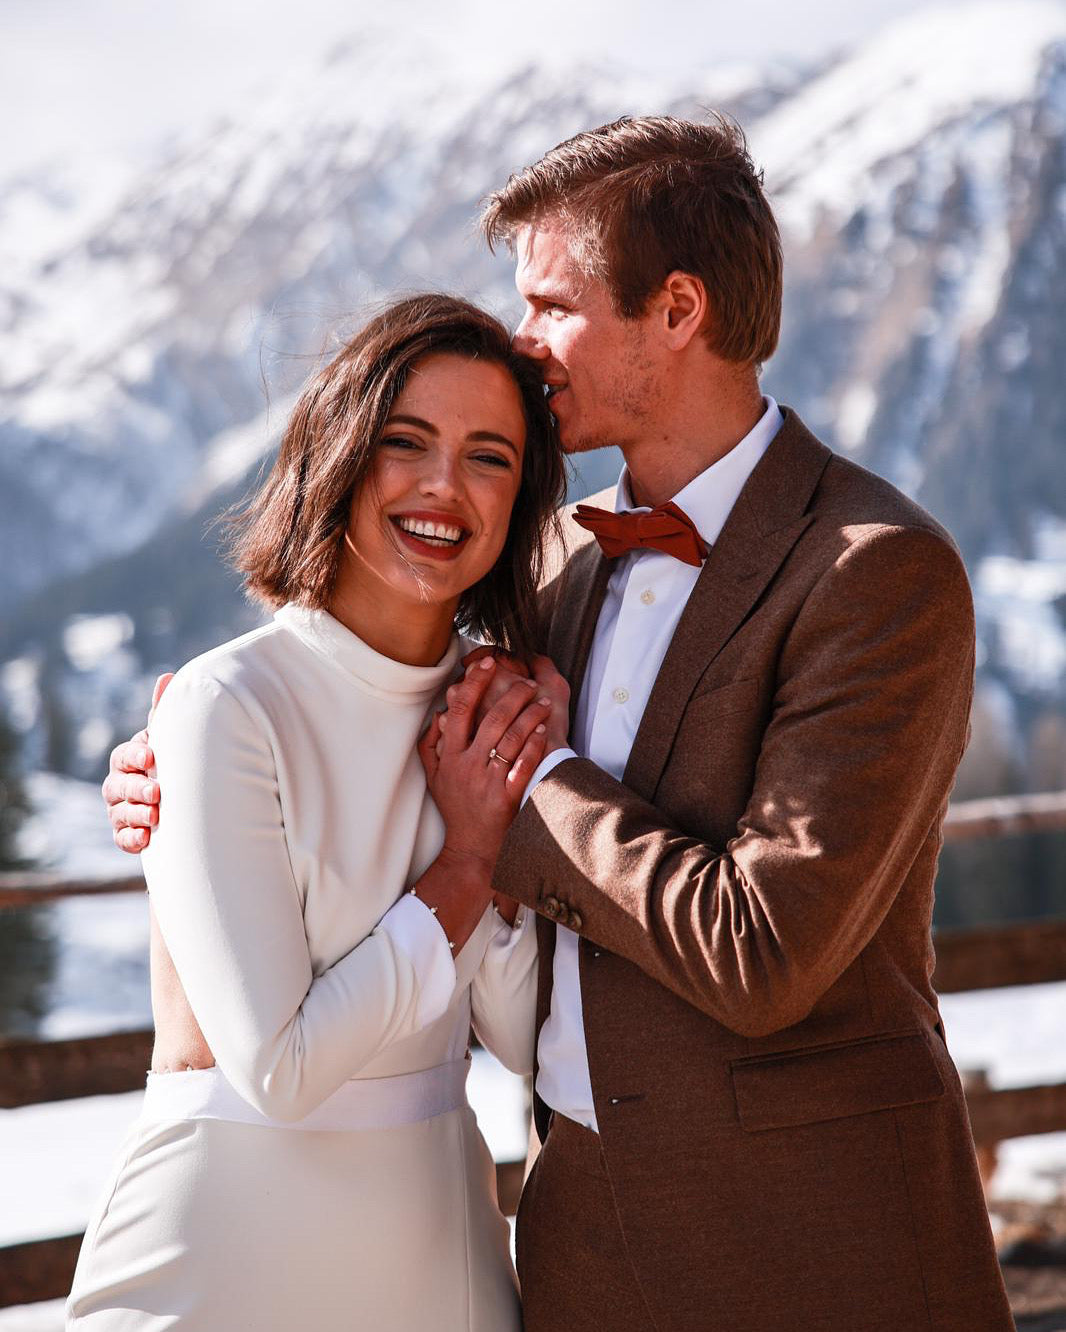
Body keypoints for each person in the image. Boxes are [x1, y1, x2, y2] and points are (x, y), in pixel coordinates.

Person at [105, 116, 1016, 1331]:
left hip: (815, 1243)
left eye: (551, 304)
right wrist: (182, 763)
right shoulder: (543, 559)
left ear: (678, 311)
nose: (525, 345)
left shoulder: (876, 569)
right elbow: (371, 703)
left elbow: (763, 953)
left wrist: (524, 786)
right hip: (577, 1244)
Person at [71, 293, 566, 1331]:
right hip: (222, 1257)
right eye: (405, 441)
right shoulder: (225, 706)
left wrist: (525, 815)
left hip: (437, 1257)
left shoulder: (489, 713)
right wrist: (466, 865)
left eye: (489, 457)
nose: (443, 486)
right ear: (338, 451)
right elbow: (282, 1071)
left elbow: (525, 1042)